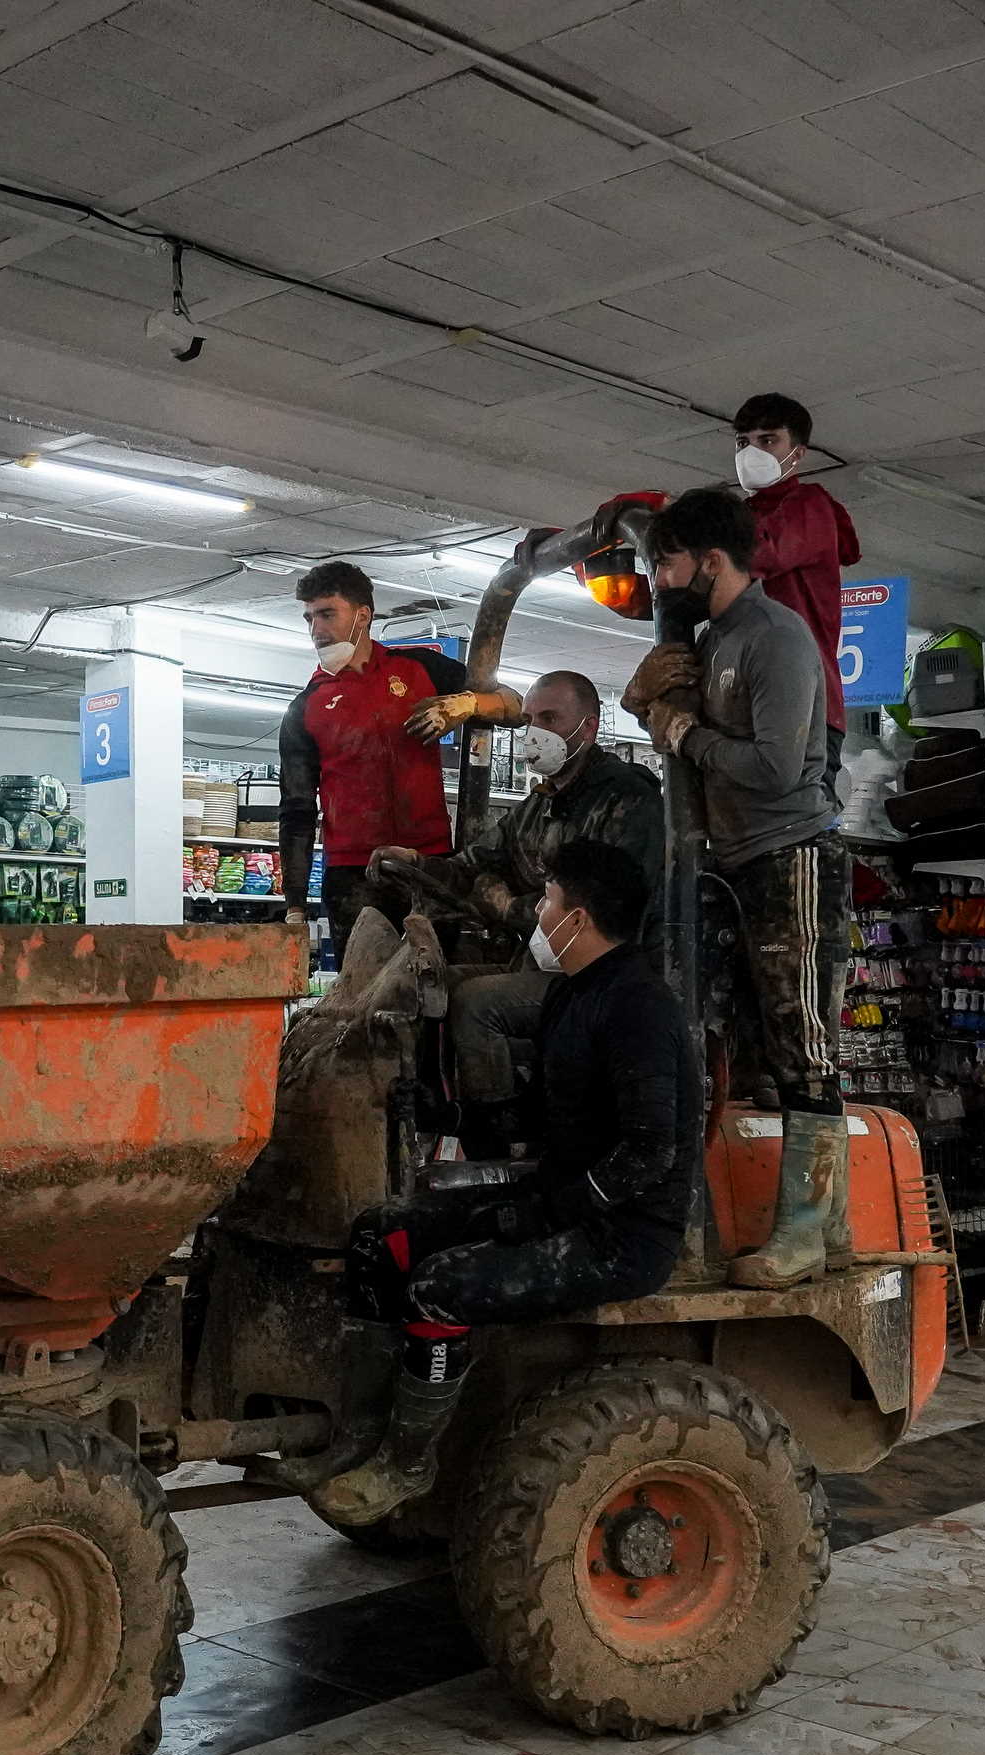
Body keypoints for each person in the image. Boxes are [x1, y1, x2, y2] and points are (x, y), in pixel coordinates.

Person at [312, 839, 698, 1524]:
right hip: (557, 1201)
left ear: (577, 919)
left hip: (621, 1236)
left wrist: (542, 1215)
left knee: (439, 1285)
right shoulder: (571, 997)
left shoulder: (640, 1007)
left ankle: (407, 1466)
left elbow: (648, 1155)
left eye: (548, 901)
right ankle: (361, 1438)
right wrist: (449, 1114)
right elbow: (533, 1118)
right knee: (380, 1236)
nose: (539, 914)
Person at [629, 485, 849, 1285]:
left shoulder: (774, 637)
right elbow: (670, 720)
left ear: (710, 562)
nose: (658, 578)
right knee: (765, 1046)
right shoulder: (714, 637)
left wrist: (686, 735)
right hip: (742, 859)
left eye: (666, 561)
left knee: (803, 1047)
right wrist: (655, 705)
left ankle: (803, 1234)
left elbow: (774, 767)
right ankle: (834, 1227)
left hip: (793, 855)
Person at [365, 671, 664, 1149]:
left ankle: (497, 1136)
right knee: (430, 987)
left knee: (477, 1003)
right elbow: (476, 864)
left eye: (550, 718)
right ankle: (433, 1113)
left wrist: (510, 906)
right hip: (546, 961)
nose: (534, 731)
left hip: (602, 978)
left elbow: (611, 903)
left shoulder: (626, 797)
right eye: (528, 720)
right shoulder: (538, 805)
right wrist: (418, 864)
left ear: (587, 727)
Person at [276, 561, 522, 938]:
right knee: (365, 990)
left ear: (362, 616)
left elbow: (516, 706)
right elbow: (297, 810)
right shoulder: (305, 707)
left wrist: (466, 704)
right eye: (309, 618)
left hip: (429, 864)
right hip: (353, 875)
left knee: (438, 980)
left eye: (327, 614)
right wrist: (294, 905)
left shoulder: (419, 668)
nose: (316, 630)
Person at [730, 393, 861, 766]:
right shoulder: (741, 517)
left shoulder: (810, 507)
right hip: (750, 702)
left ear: (798, 453)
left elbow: (755, 557)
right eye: (743, 442)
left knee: (794, 822)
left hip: (805, 708)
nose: (751, 452)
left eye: (768, 440)